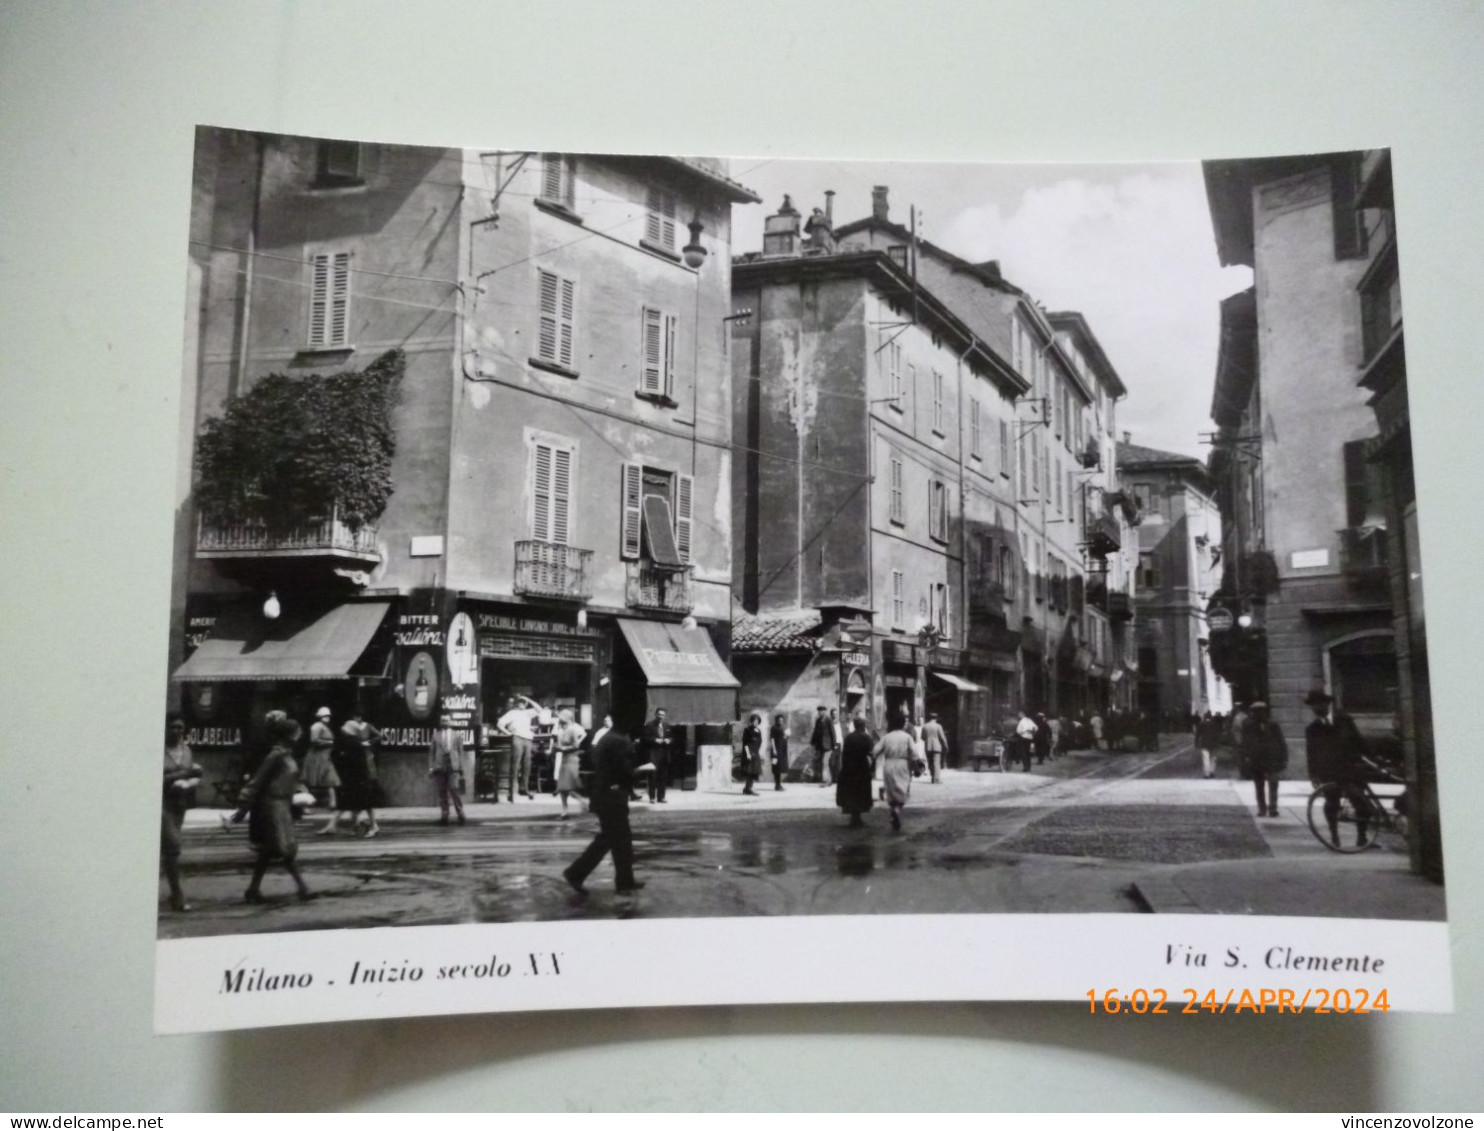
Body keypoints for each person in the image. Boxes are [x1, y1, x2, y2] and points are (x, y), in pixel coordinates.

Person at [230, 711, 314, 904]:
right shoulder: (276, 755)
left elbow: (288, 779)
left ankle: (253, 889)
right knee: (284, 848)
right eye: (298, 732)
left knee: (270, 850)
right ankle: (303, 888)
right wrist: (243, 806)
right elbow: (258, 780)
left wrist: (299, 790)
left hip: (282, 805)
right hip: (272, 806)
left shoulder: (286, 755)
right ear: (292, 735)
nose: (301, 735)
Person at [563, 726, 643, 896]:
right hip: (611, 798)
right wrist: (642, 771)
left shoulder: (610, 737)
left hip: (606, 796)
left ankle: (624, 881)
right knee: (613, 839)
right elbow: (623, 771)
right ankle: (576, 873)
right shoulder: (619, 740)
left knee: (618, 840)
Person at [1304, 688, 1372, 847]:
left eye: (1319, 704)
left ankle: (1362, 837)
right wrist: (1313, 775)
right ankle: (1334, 837)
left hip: (1351, 770)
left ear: (1327, 704)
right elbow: (1311, 754)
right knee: (1332, 804)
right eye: (1313, 705)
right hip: (1329, 772)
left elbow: (1359, 742)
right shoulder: (1312, 729)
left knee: (1362, 804)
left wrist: (1372, 759)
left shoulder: (1345, 721)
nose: (1316, 708)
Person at [161, 714, 203, 912]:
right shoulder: (159, 749)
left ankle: (172, 891)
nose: (176, 731)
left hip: (180, 805)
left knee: (169, 850)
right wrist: (182, 775)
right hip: (161, 804)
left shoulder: (186, 751)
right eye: (172, 727)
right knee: (173, 848)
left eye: (180, 727)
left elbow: (197, 776)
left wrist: (190, 782)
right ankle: (177, 895)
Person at [335, 710, 382, 838]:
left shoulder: (353, 743)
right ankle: (358, 825)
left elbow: (354, 763)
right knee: (358, 803)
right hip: (359, 778)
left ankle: (372, 825)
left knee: (364, 803)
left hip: (358, 778)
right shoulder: (355, 742)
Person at [1238, 701, 1288, 818]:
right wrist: (1245, 757)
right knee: (1259, 786)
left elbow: (1281, 742)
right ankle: (1262, 808)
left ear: (1265, 712)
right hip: (1257, 760)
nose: (1259, 714)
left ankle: (1273, 808)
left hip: (1272, 759)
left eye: (1261, 712)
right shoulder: (1249, 726)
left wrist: (1284, 757)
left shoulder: (1273, 725)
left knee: (1273, 784)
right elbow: (1245, 743)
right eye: (1256, 712)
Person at [872, 711, 915, 831]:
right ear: (902, 724)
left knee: (890, 790)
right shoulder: (907, 737)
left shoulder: (887, 737)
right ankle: (897, 810)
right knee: (901, 789)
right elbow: (915, 753)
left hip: (889, 764)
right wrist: (916, 763)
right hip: (902, 764)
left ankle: (893, 812)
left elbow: (875, 751)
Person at [303, 706, 343, 835]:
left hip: (325, 756)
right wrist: (329, 742)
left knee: (330, 779)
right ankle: (306, 805)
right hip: (317, 757)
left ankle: (332, 802)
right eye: (325, 716)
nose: (327, 718)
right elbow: (314, 741)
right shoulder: (316, 727)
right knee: (312, 779)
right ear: (320, 717)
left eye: (328, 716)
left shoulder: (325, 727)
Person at [836, 715, 876, 827]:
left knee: (852, 792)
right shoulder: (866, 738)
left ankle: (854, 816)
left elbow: (844, 754)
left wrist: (843, 768)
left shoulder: (849, 737)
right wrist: (872, 768)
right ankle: (857, 817)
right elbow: (871, 754)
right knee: (861, 792)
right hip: (862, 767)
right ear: (863, 726)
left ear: (854, 725)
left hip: (850, 768)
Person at [496, 695, 538, 801]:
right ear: (516, 704)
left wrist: (528, 699)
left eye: (524, 703)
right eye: (520, 702)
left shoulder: (528, 712)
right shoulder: (512, 713)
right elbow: (499, 723)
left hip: (528, 739)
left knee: (526, 765)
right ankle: (512, 791)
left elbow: (539, 709)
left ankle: (524, 789)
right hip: (517, 738)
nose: (522, 704)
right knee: (516, 765)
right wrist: (508, 734)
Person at [428, 723, 466, 826]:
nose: (445, 723)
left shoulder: (456, 735)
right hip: (440, 766)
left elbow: (460, 752)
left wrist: (461, 767)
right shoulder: (436, 735)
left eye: (447, 720)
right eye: (443, 720)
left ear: (450, 722)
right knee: (442, 791)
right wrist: (431, 767)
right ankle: (445, 814)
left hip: (453, 766)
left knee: (454, 789)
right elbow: (432, 752)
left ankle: (460, 813)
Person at [552, 709, 587, 819]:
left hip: (571, 759)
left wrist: (563, 748)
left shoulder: (572, 730)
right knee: (563, 787)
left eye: (563, 720)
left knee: (568, 786)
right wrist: (556, 749)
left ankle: (582, 801)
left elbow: (576, 745)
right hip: (564, 759)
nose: (561, 722)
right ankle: (565, 811)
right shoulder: (562, 730)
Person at [641, 707, 674, 803]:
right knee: (653, 776)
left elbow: (672, 737)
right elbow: (644, 739)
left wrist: (669, 740)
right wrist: (655, 740)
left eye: (663, 715)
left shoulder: (667, 726)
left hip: (664, 754)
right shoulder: (649, 725)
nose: (661, 717)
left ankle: (661, 797)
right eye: (659, 714)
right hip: (653, 753)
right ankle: (652, 797)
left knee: (663, 777)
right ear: (655, 715)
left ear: (665, 716)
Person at [810, 704, 837, 786]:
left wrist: (834, 744)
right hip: (820, 746)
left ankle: (825, 781)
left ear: (824, 711)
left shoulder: (828, 720)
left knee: (824, 762)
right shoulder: (818, 720)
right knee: (824, 763)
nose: (820, 712)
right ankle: (829, 780)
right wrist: (813, 742)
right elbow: (816, 732)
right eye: (819, 711)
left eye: (821, 711)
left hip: (828, 745)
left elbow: (833, 733)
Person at [920, 711, 948, 783]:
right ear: (936, 718)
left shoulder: (925, 726)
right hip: (937, 747)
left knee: (930, 762)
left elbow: (922, 737)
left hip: (928, 746)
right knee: (936, 763)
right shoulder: (938, 726)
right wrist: (945, 746)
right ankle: (936, 779)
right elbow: (942, 737)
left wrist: (928, 739)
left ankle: (933, 777)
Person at [740, 713, 763, 795]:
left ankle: (747, 788)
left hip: (756, 753)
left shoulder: (759, 731)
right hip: (748, 753)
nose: (755, 723)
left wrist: (757, 752)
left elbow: (760, 742)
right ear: (751, 721)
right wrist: (748, 754)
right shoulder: (747, 730)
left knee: (754, 771)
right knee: (749, 771)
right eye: (754, 721)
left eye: (757, 721)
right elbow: (745, 743)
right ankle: (749, 788)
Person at [768, 714, 788, 792]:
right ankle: (777, 785)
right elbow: (772, 739)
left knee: (780, 767)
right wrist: (774, 749)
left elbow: (784, 738)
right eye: (779, 720)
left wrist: (787, 736)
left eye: (782, 720)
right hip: (776, 750)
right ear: (776, 720)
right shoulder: (774, 728)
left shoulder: (783, 728)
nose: (781, 721)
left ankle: (778, 784)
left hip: (782, 749)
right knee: (776, 768)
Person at [1196, 710, 1219, 779]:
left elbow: (1198, 734)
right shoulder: (1215, 724)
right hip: (1214, 744)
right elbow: (1217, 734)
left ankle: (1207, 773)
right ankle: (1212, 771)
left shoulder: (1201, 724)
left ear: (1204, 717)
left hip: (1204, 743)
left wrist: (1196, 743)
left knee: (1206, 759)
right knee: (1213, 758)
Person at [829, 708, 845, 782]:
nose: (835, 715)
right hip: (833, 743)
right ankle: (832, 777)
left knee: (838, 762)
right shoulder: (830, 722)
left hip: (839, 743)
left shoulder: (838, 723)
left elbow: (839, 734)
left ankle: (837, 778)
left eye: (836, 713)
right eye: (833, 713)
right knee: (832, 761)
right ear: (831, 714)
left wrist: (841, 743)